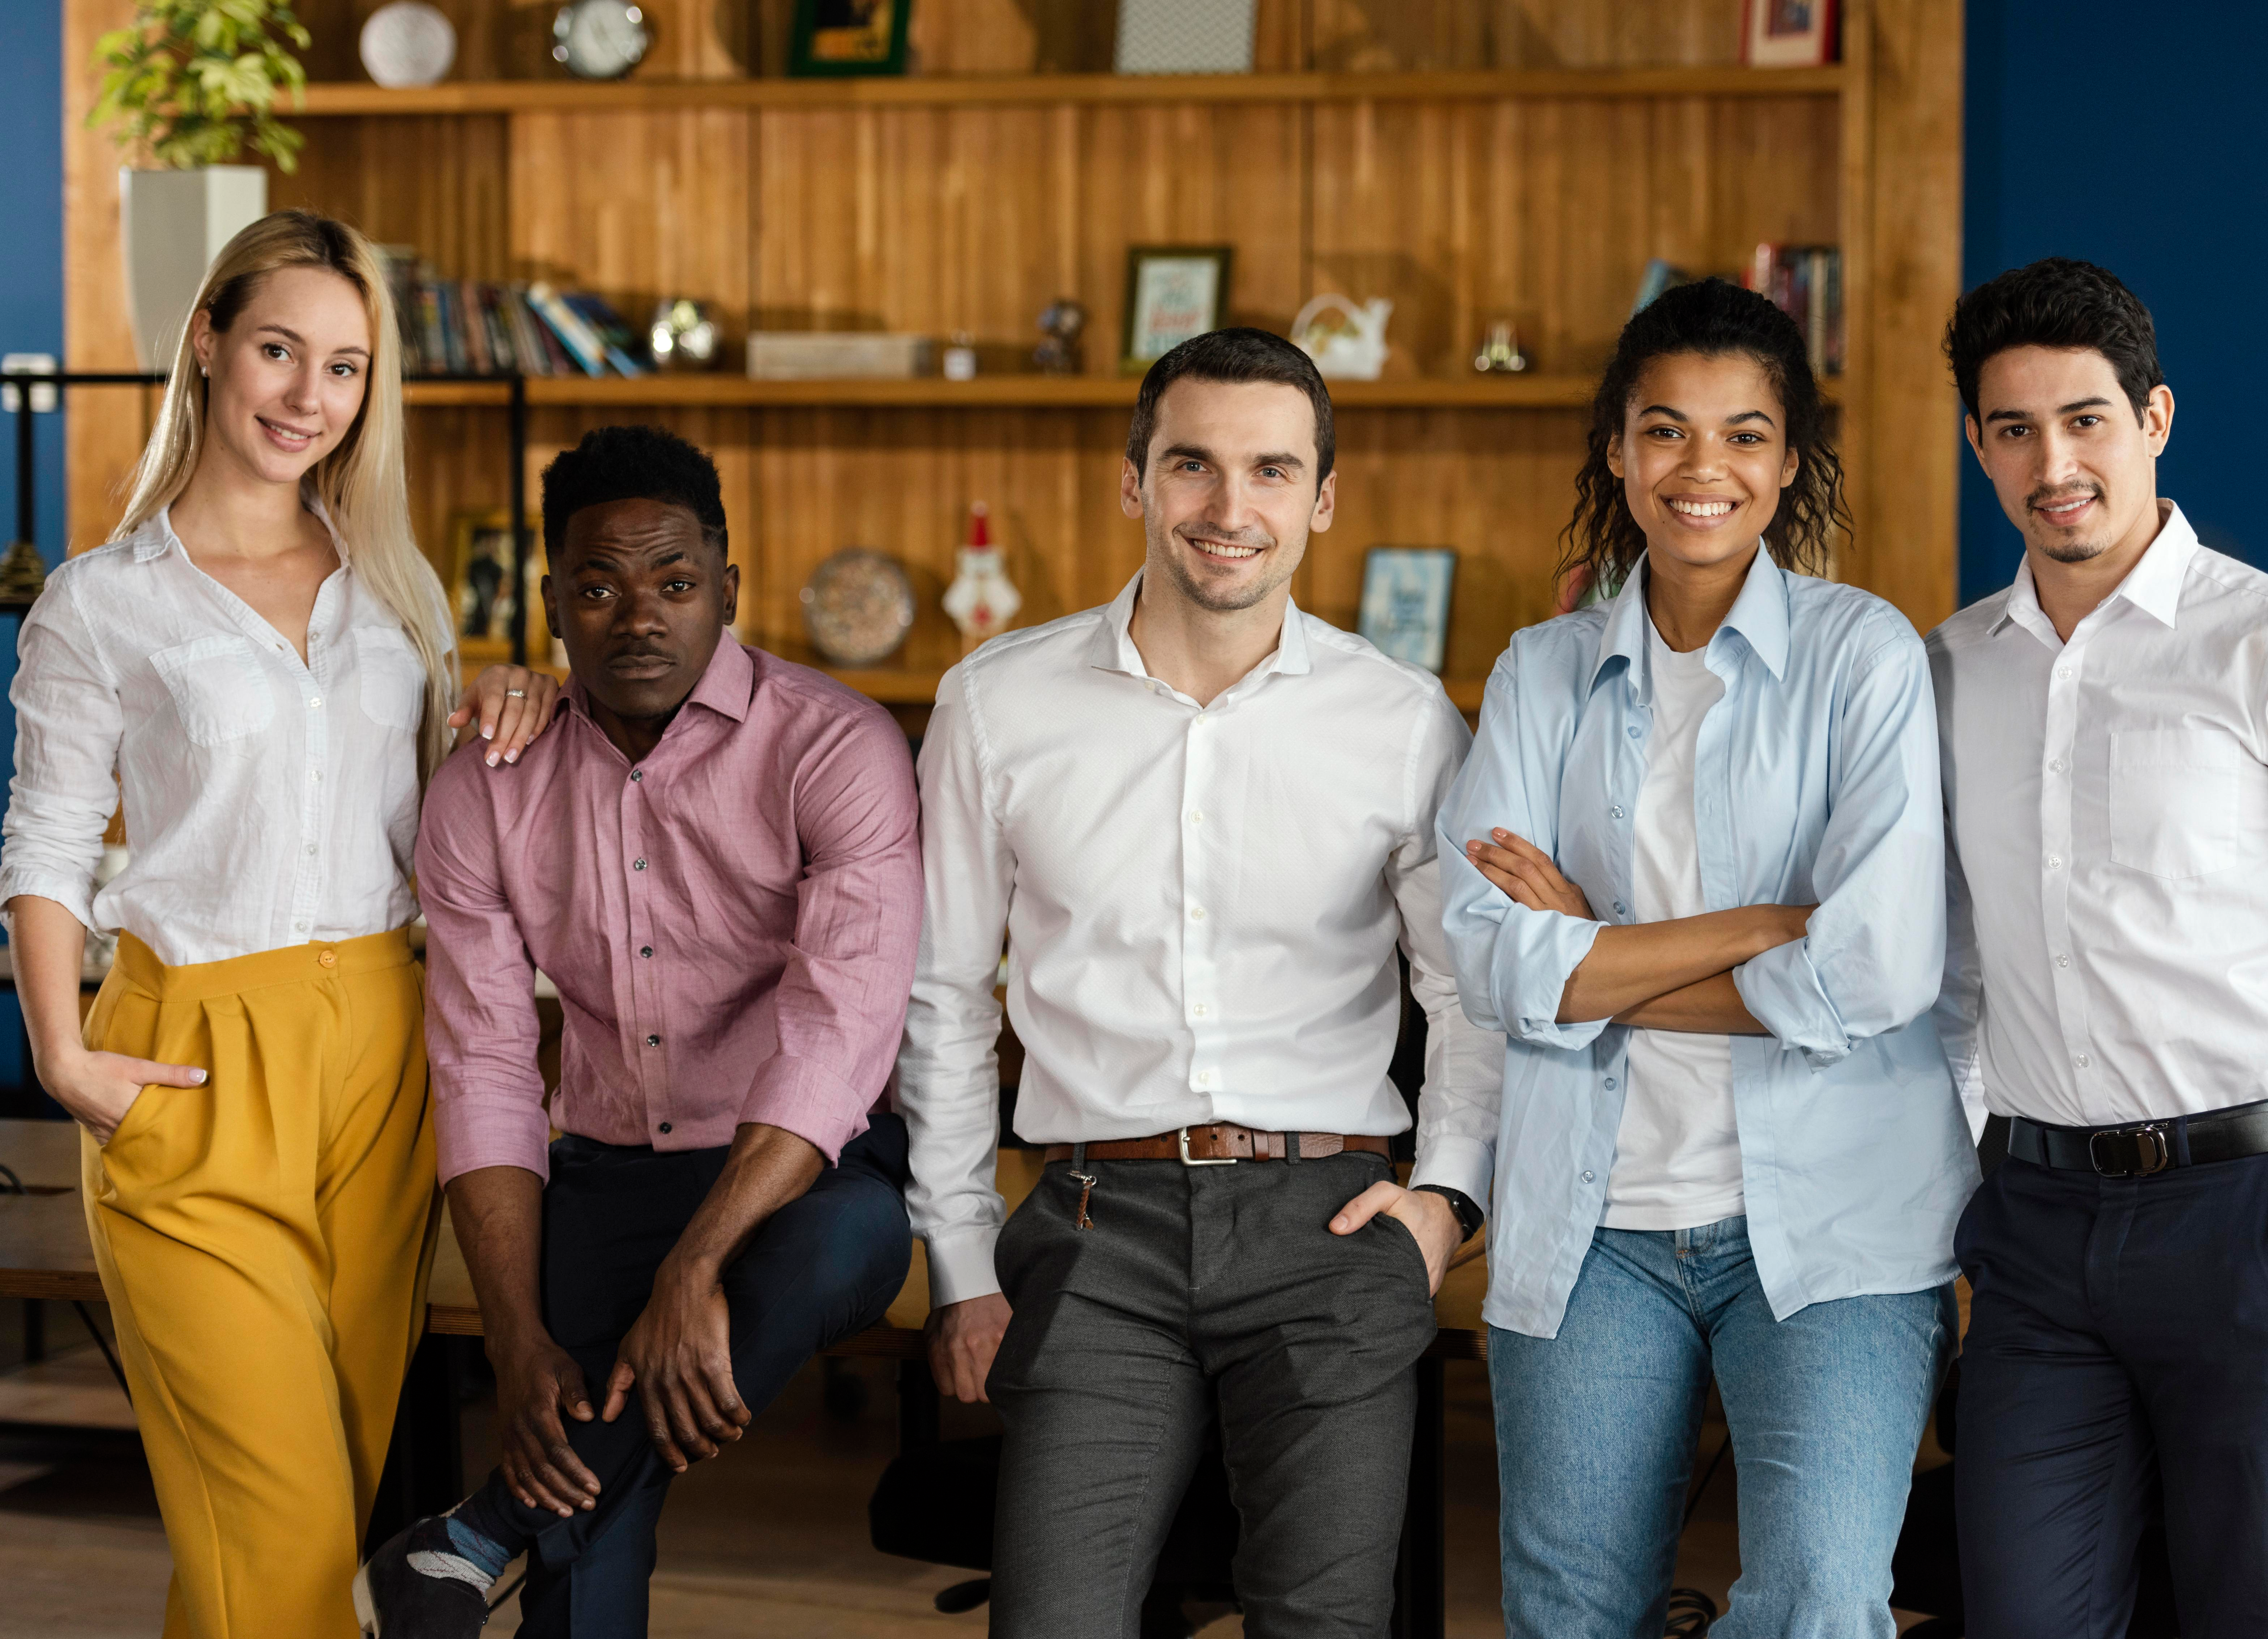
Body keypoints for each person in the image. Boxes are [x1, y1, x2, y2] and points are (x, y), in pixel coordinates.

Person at [0, 209, 559, 1639]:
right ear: (207, 343)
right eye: (277, 350)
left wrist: (515, 702)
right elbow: (46, 840)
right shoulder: (100, 604)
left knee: (286, 1526)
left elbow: (437, 832)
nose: (309, 395)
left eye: (346, 366)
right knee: (283, 1526)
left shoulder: (396, 584)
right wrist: (61, 1053)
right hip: (188, 1057)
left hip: (381, 1055)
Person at [899, 327, 1504, 1637]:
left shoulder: (1402, 720)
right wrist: (959, 1258)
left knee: (1323, 1622)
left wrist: (1448, 1199)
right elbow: (940, 995)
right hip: (1094, 1225)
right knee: (1052, 1621)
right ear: (1134, 480)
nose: (1230, 508)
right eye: (1192, 465)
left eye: (1272, 470)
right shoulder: (995, 704)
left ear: (1322, 500)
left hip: (1332, 1223)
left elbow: (1468, 993)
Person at [1436, 277, 1975, 1638]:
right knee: (1570, 1611)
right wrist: (1763, 924)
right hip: (1589, 1227)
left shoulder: (1862, 654)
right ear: (1618, 452)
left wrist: (1595, 956)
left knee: (1816, 1601)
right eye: (1665, 429)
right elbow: (1491, 961)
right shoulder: (1537, 673)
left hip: (1838, 1222)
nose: (1702, 467)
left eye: (1744, 434)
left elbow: (1876, 970)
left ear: (1788, 463)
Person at [1931, 258, 2268, 1637]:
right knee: (2018, 1616)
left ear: (2154, 417)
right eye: (2014, 429)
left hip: (2245, 1216)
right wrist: (1969, 1169)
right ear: (1977, 443)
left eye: (2085, 419)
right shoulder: (1947, 669)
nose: (2054, 465)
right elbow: (1951, 972)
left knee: (2247, 1616)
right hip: (2034, 1228)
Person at [355, 424, 921, 1639]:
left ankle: (472, 1534)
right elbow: (485, 1064)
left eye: (674, 582)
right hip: (606, 1171)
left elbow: (839, 1037)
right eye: (601, 587)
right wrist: (514, 1335)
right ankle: (496, 1532)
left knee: (843, 1243)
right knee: (579, 1500)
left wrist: (693, 1269)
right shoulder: (483, 786)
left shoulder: (836, 745)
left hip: (802, 1176)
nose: (639, 617)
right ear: (552, 602)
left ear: (729, 587)